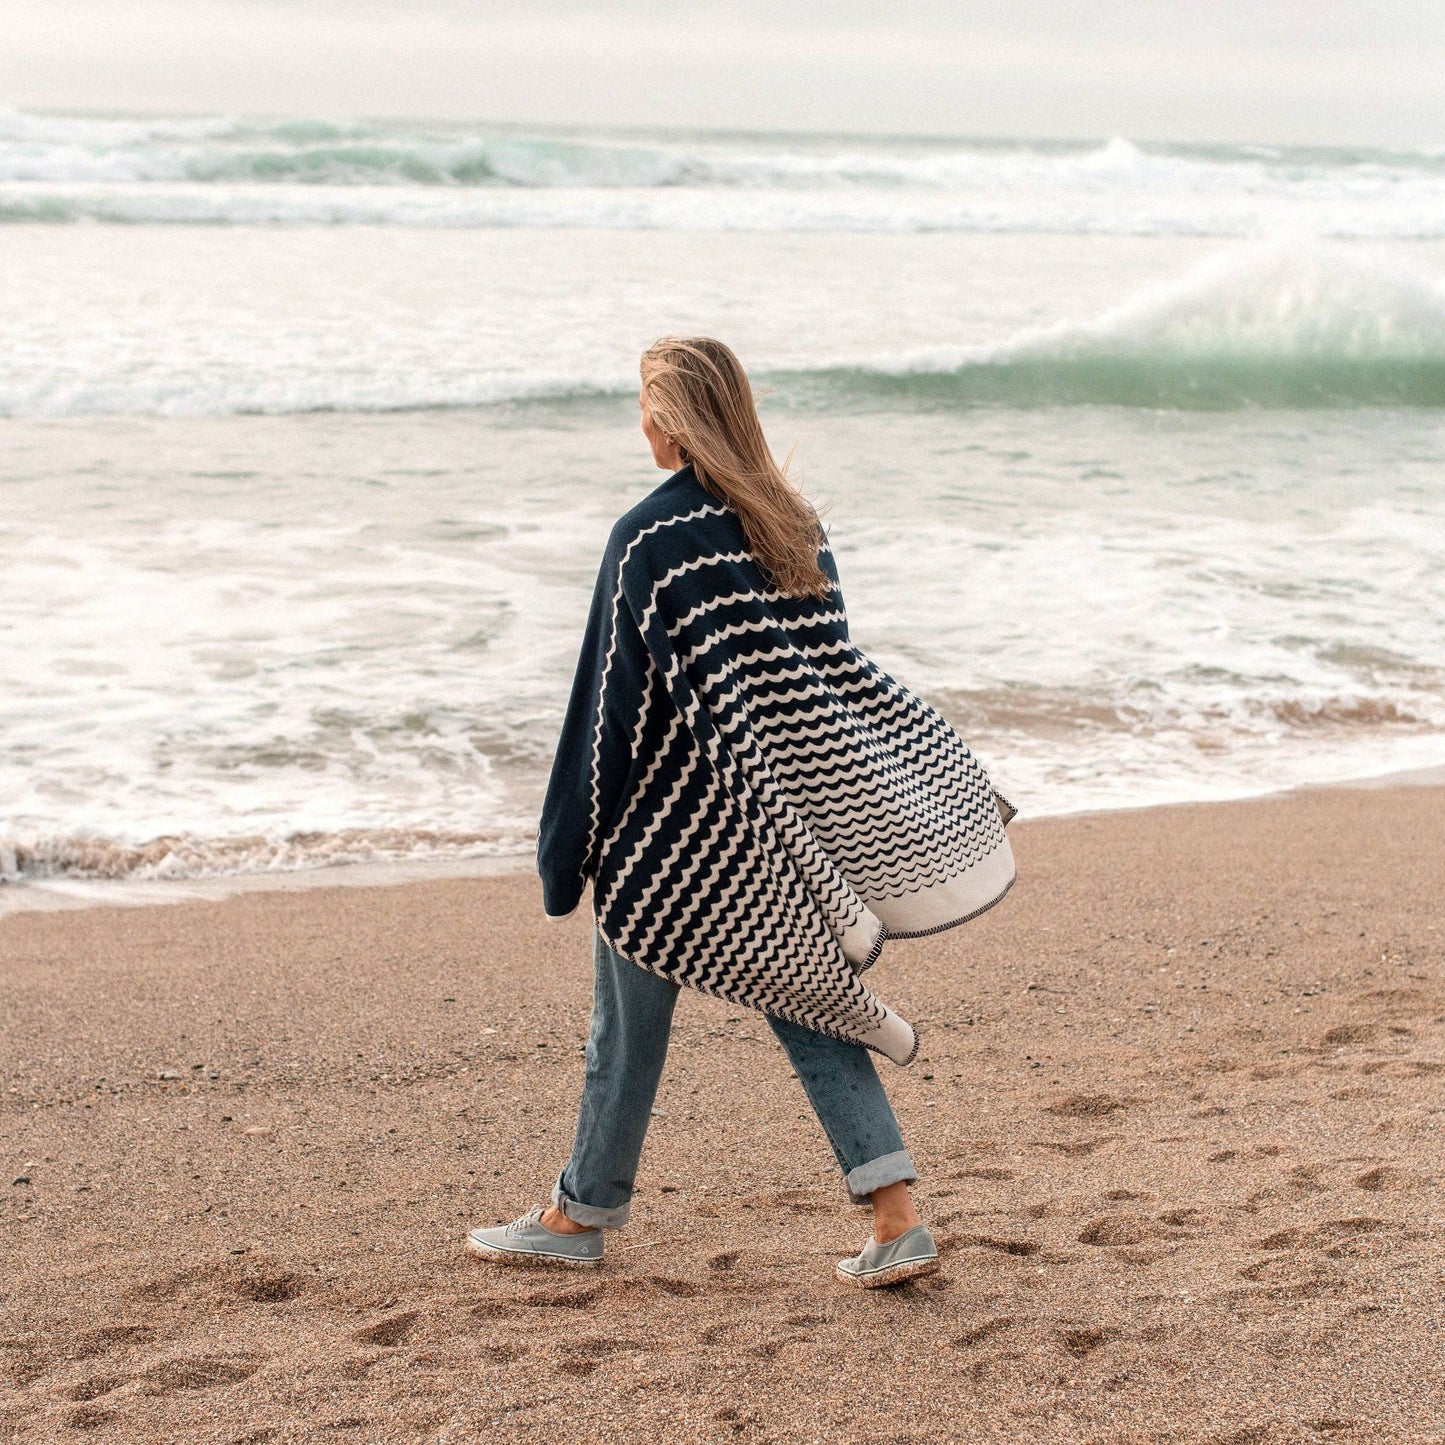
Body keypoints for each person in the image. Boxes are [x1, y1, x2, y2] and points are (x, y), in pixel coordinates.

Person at [467, 337, 1015, 1289]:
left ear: (669, 418)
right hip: (772, 836)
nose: (639, 424)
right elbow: (818, 683)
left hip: (670, 843)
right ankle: (895, 1214)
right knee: (810, 1004)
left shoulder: (648, 537)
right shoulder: (790, 522)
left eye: (644, 407)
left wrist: (569, 848)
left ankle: (575, 1214)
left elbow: (612, 708)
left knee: (626, 1028)